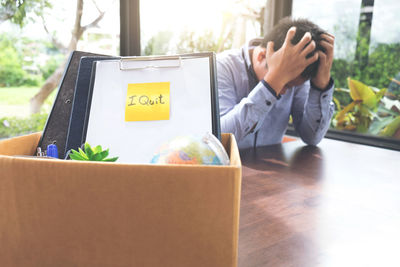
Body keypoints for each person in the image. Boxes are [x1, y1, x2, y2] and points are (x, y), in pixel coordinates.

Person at [217, 17, 335, 148]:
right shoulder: (222, 67)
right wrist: (272, 83)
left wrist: (321, 86)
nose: (282, 92)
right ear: (261, 56)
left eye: (289, 86)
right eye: (284, 84)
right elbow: (220, 138)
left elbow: (312, 137)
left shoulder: (296, 73)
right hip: (228, 167)